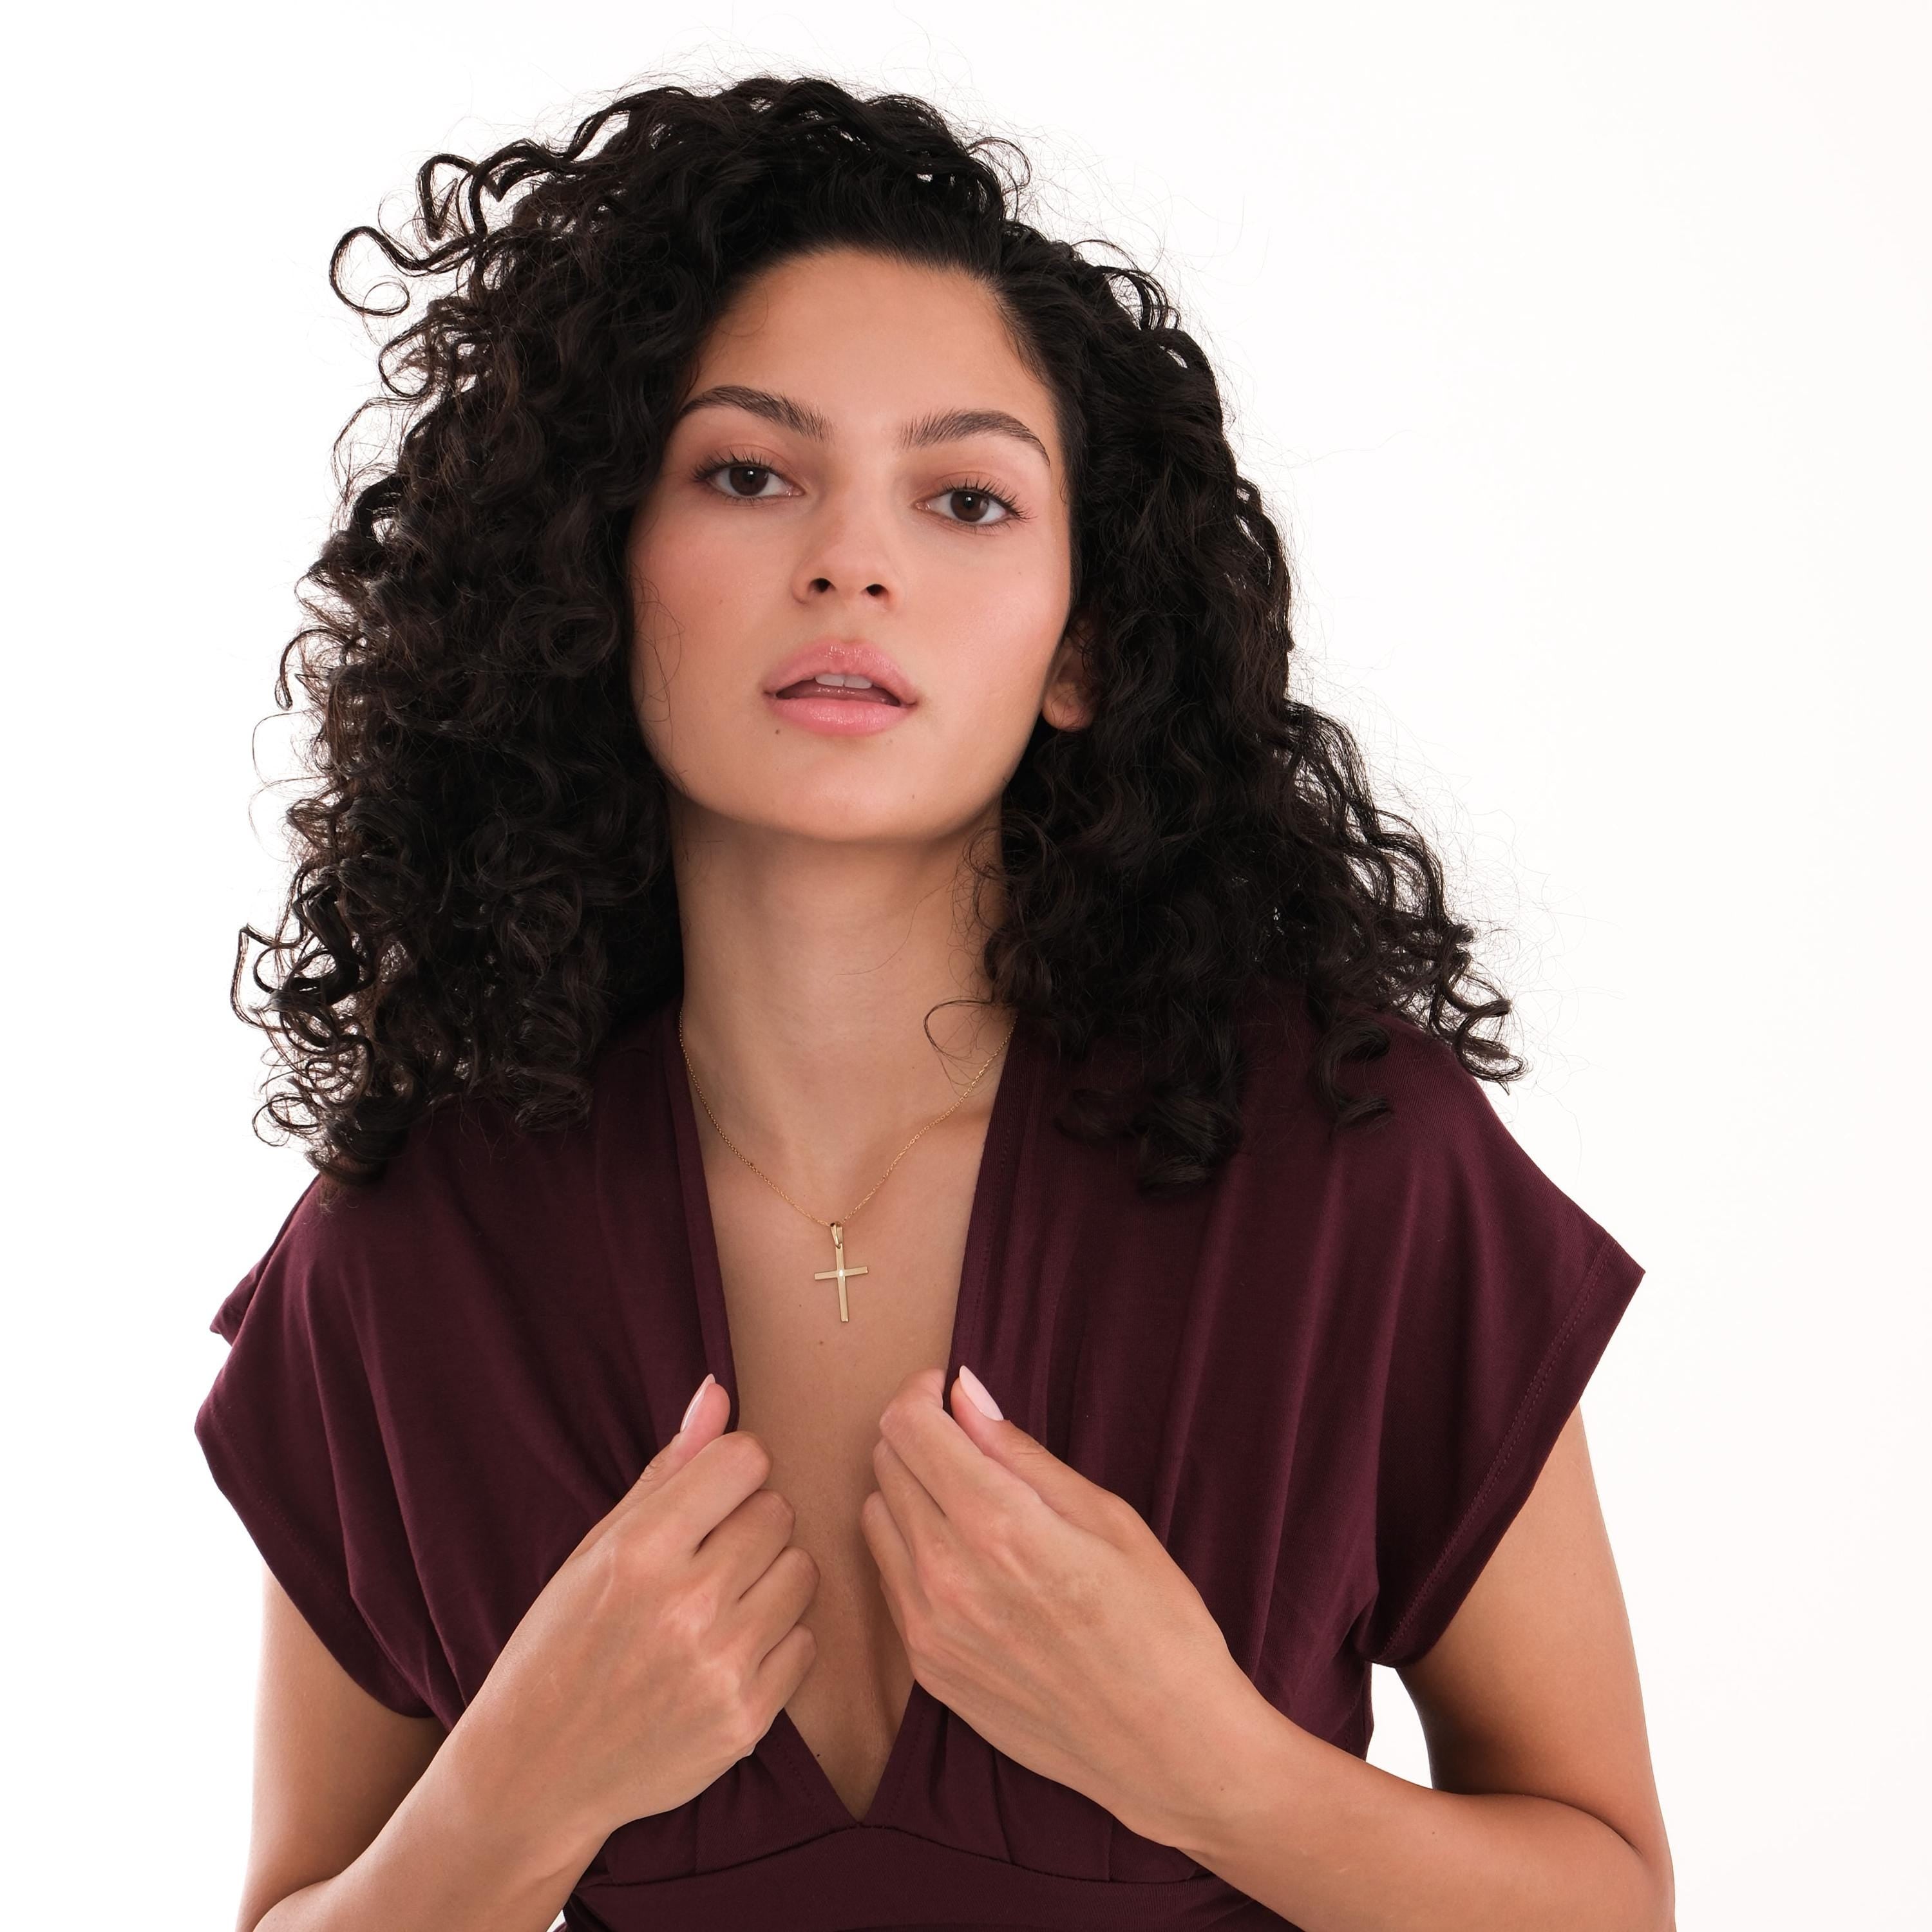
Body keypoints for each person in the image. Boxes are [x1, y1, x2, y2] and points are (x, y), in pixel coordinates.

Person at [194, 73, 1674, 1932]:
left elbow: (1612, 1896)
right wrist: (506, 1802)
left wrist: (1209, 1766)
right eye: (750, 473)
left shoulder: (1355, 1167)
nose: (853, 559)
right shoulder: (416, 1255)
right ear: (591, 572)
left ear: (1084, 649)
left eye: (966, 496)